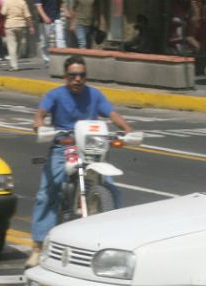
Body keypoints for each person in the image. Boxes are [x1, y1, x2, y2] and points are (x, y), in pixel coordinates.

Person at [25, 55, 134, 269]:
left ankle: (116, 241)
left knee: (110, 188)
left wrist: (128, 131)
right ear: (65, 76)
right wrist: (40, 126)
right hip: (65, 147)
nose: (77, 79)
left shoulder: (95, 94)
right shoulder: (54, 95)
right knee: (48, 191)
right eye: (73, 75)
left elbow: (113, 115)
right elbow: (40, 115)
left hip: (92, 147)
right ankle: (38, 246)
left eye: (82, 75)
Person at [2, 0, 35, 71]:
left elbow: (3, 13)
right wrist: (31, 27)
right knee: (18, 45)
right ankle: (15, 63)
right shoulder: (22, 2)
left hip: (10, 25)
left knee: (11, 46)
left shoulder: (7, 2)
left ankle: (14, 66)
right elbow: (28, 16)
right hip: (21, 26)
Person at [34, 0, 66, 66]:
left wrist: (66, 11)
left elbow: (61, 3)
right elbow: (38, 6)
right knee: (45, 42)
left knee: (60, 39)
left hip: (57, 18)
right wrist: (44, 17)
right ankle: (47, 59)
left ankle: (62, 59)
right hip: (44, 20)